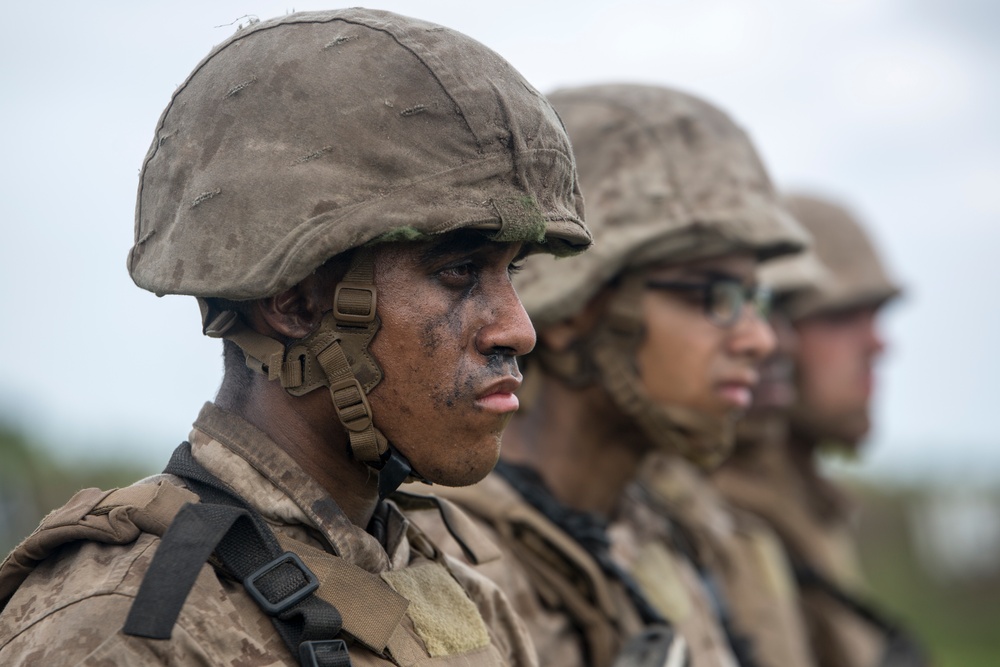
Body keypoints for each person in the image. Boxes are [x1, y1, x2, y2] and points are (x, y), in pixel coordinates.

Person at [0, 9, 592, 666]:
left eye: (510, 271)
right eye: (458, 272)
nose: (519, 328)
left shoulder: (459, 602)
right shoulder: (130, 626)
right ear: (296, 303)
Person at [409, 83, 811, 667]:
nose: (759, 339)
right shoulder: (445, 549)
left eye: (757, 300)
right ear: (576, 310)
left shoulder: (663, 534)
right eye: (715, 296)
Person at [713, 194, 927, 667]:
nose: (877, 344)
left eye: (876, 314)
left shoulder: (808, 506)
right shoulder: (721, 519)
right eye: (840, 317)